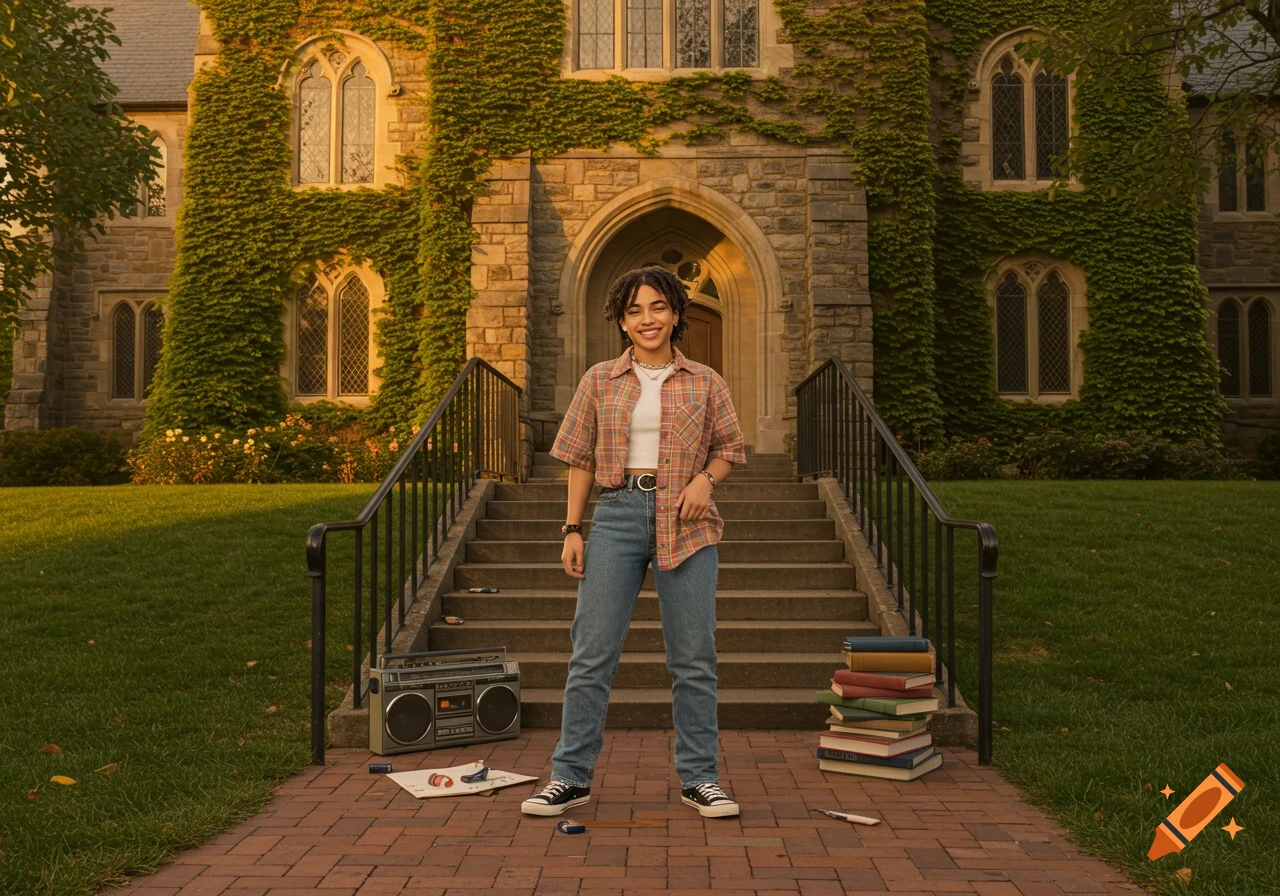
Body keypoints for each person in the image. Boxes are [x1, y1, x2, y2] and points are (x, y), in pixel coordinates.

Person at [520, 265, 747, 819]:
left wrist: (704, 480)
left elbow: (730, 448)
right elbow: (579, 457)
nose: (647, 319)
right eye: (634, 311)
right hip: (617, 514)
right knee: (591, 654)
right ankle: (569, 777)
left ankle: (700, 777)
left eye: (658, 307)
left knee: (694, 657)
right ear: (622, 322)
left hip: (688, 520)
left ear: (675, 314)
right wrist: (573, 529)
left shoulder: (706, 381)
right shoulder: (599, 379)